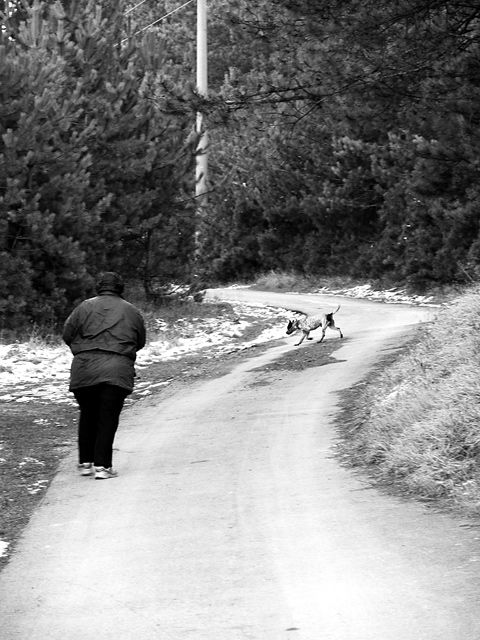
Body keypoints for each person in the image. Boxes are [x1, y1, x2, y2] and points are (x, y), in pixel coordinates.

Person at [63, 272, 146, 479]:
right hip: (116, 369)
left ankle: (85, 462)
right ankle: (102, 466)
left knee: (88, 413)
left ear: (99, 287)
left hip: (84, 368)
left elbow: (67, 334)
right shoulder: (131, 310)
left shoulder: (83, 307)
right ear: (120, 288)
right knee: (107, 417)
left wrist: (83, 349)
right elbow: (140, 340)